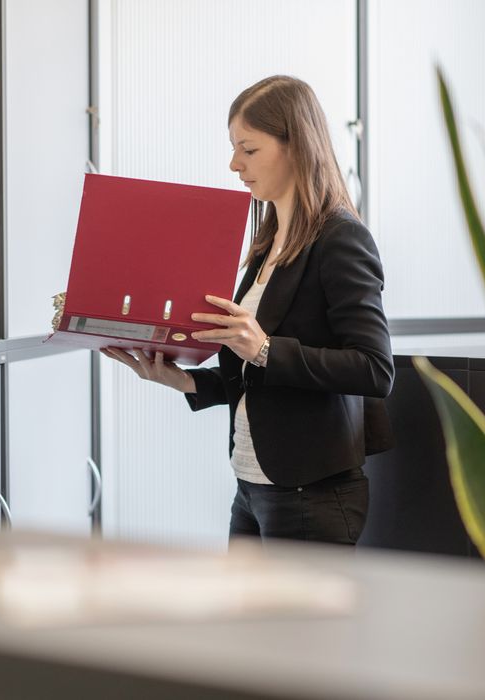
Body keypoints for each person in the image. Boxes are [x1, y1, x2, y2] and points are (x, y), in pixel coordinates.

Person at [101, 75, 394, 545]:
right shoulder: (267, 243)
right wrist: (185, 381)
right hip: (252, 486)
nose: (234, 164)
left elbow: (374, 370)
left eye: (249, 149)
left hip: (310, 493)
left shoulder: (342, 239)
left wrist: (262, 347)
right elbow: (259, 374)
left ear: (296, 146)